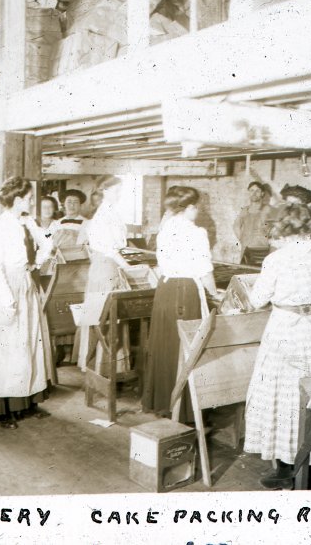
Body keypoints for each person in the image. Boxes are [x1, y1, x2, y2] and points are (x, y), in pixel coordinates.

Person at [243, 203, 311, 490]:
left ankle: (286, 467)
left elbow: (257, 300)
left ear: (286, 229)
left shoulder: (276, 260)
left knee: (282, 396)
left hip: (285, 328)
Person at [0, 177, 56, 429]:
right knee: (6, 349)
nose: (31, 202)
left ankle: (26, 403)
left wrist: (36, 261)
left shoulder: (27, 221)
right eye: (28, 198)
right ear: (16, 199)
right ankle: (2, 410)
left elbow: (48, 240)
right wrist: (7, 301)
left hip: (26, 284)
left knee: (27, 344)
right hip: (7, 290)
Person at [142, 186, 218, 420]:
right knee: (186, 348)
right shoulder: (196, 233)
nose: (198, 211)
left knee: (165, 345)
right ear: (188, 208)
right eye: (196, 207)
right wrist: (216, 294)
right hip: (185, 291)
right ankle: (184, 409)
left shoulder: (165, 230)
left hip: (165, 290)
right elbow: (205, 271)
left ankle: (163, 402)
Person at [75, 176, 130, 371]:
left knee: (113, 319)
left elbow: (120, 244)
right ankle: (98, 367)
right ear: (105, 191)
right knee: (103, 318)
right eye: (116, 191)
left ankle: (112, 368)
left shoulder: (113, 213)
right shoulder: (102, 216)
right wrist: (128, 267)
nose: (119, 195)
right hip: (105, 268)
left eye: (120, 191)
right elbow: (109, 249)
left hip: (112, 266)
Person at [233, 181, 274, 265]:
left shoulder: (268, 209)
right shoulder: (245, 210)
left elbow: (275, 229)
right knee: (245, 273)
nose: (254, 193)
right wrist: (242, 239)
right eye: (251, 190)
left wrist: (267, 239)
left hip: (262, 250)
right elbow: (236, 226)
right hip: (246, 249)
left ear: (262, 193)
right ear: (249, 192)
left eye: (257, 191)